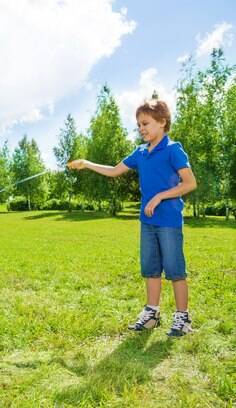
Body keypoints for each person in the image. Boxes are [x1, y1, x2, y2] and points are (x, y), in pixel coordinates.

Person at [68, 99, 197, 336]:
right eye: (139, 125)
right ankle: (152, 314)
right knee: (151, 269)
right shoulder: (140, 152)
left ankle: (183, 318)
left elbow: (189, 183)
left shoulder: (173, 149)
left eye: (146, 123)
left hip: (168, 221)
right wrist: (86, 163)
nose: (142, 129)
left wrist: (159, 197)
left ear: (162, 122)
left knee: (175, 270)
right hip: (147, 222)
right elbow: (114, 171)